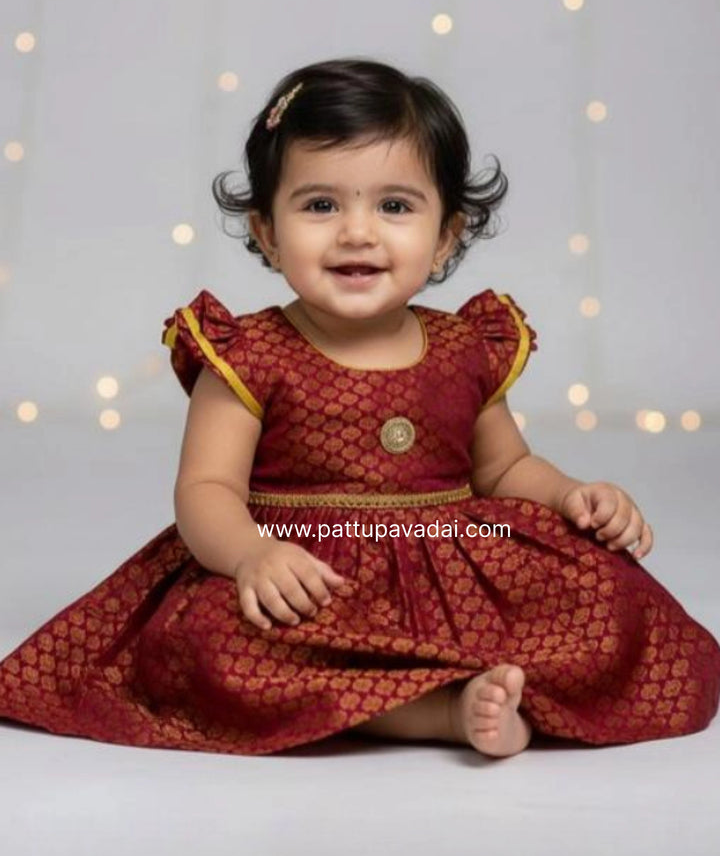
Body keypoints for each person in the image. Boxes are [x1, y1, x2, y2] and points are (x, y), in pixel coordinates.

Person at [1, 58, 719, 759]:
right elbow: (205, 490)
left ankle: (483, 682)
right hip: (310, 576)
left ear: (444, 237)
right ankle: (437, 709)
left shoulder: (466, 346)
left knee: (599, 597)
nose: (356, 232)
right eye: (320, 205)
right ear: (266, 231)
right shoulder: (247, 356)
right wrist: (252, 556)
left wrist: (572, 494)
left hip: (449, 571)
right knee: (216, 644)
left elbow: (506, 467)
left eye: (394, 206)